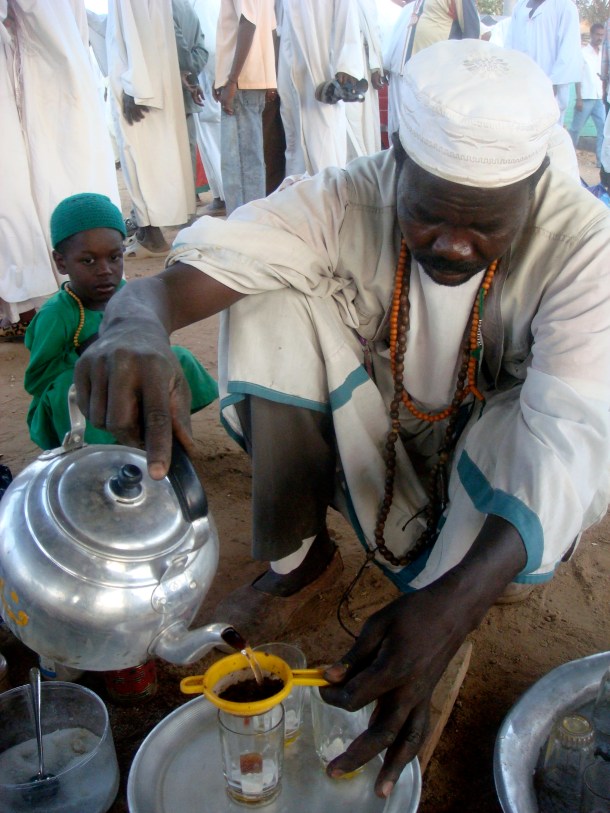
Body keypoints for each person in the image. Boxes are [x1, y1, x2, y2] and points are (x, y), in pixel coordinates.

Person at [74, 40, 610, 795]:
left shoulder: (585, 243)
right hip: (384, 435)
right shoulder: (350, 194)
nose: (454, 244)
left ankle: (453, 605)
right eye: (429, 215)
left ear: (536, 188)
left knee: (544, 431)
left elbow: (572, 441)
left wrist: (452, 607)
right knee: (267, 297)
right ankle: (299, 560)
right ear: (397, 164)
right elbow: (207, 267)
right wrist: (135, 313)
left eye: (487, 227)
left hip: (493, 476)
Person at [25, 194, 218, 450]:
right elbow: (38, 380)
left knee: (176, 357)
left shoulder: (126, 294)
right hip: (80, 398)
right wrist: (90, 355)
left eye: (114, 257)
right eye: (89, 261)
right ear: (61, 262)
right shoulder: (56, 314)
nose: (105, 270)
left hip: (122, 381)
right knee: (67, 387)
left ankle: (162, 424)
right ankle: (99, 450)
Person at [0, 0, 119, 340]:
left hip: (41, 76)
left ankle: (30, 308)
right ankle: (31, 307)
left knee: (20, 195)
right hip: (61, 73)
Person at [106, 0, 196, 258]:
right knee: (151, 158)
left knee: (140, 159)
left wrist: (135, 89)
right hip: (150, 78)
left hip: (139, 85)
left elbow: (138, 34)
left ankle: (151, 234)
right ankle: (149, 232)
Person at [276, 0, 363, 175]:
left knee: (324, 140)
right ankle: (299, 196)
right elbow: (280, 25)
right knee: (295, 145)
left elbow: (347, 19)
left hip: (321, 73)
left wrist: (345, 68)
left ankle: (330, 196)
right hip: (289, 72)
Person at [214, 0, 277, 215]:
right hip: (252, 80)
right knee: (252, 160)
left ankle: (242, 225)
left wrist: (231, 80)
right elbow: (271, 29)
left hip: (241, 82)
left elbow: (247, 23)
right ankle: (252, 224)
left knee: (237, 165)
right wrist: (270, 78)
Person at [505, 0, 582, 125]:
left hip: (550, 94)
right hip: (519, 90)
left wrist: (551, 85)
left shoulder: (565, 7)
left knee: (548, 137)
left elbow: (569, 50)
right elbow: (509, 48)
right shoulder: (519, 7)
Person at [569, 23, 606, 168]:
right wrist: (578, 98)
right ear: (591, 35)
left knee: (603, 130)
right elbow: (577, 76)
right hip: (585, 98)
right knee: (575, 129)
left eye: (602, 35)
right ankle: (569, 158)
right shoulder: (583, 53)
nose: (600, 38)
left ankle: (600, 162)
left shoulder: (603, 53)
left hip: (599, 98)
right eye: (597, 35)